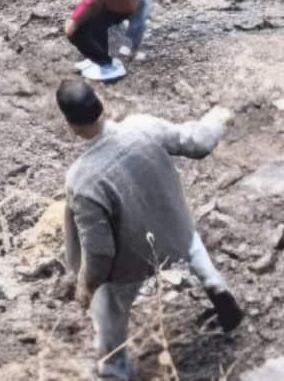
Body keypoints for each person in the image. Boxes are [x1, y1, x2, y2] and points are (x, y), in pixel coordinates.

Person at [56, 80, 243, 380]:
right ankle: (216, 286)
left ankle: (114, 367)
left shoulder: (82, 180)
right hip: (176, 231)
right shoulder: (142, 126)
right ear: (101, 102)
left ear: (71, 126)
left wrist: (86, 285)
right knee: (191, 240)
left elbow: (100, 252)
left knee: (108, 305)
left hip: (135, 261)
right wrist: (216, 119)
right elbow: (197, 142)